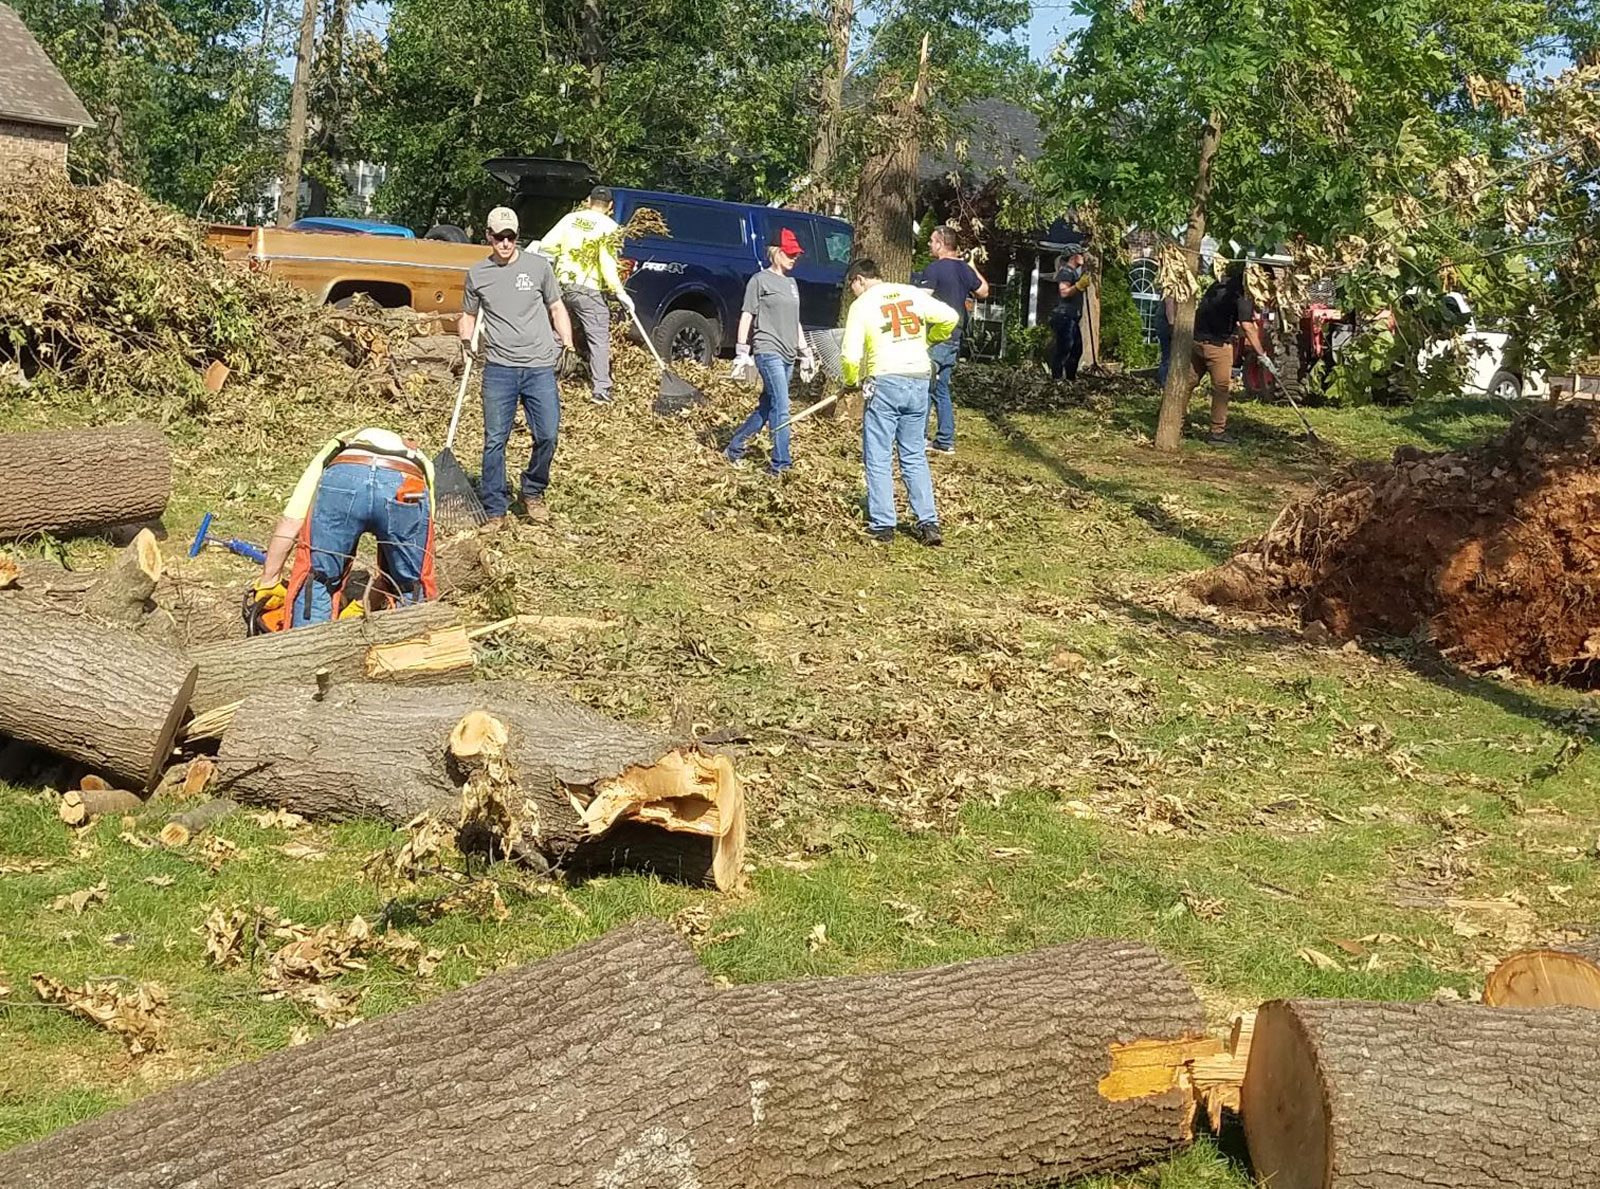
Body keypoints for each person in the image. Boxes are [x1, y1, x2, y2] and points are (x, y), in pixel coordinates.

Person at [459, 206, 576, 530]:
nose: (506, 243)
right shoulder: (478, 274)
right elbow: (468, 316)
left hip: (539, 367)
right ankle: (495, 509)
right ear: (489, 237)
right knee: (495, 439)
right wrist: (467, 342)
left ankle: (532, 491)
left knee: (548, 435)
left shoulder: (538, 267)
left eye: (511, 237)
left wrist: (567, 343)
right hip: (499, 369)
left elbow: (556, 306)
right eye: (499, 237)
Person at [252, 429, 436, 629]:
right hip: (407, 481)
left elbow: (291, 520)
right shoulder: (423, 460)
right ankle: (414, 648)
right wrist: (365, 604)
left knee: (319, 578)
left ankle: (308, 647)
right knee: (411, 584)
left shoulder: (337, 445)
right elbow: (412, 561)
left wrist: (269, 580)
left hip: (345, 472)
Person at [840, 258, 961, 546]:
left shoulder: (863, 305)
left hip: (886, 380)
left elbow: (849, 355)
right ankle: (928, 522)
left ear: (859, 280)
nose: (853, 292)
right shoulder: (911, 293)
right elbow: (950, 318)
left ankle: (883, 524)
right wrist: (930, 339)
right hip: (918, 379)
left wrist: (851, 380)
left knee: (878, 454)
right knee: (914, 453)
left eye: (852, 287)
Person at [725, 228, 816, 474]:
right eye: (789, 253)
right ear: (776, 253)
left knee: (768, 405)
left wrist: (805, 351)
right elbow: (747, 314)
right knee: (782, 405)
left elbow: (795, 319)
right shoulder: (760, 280)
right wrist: (742, 350)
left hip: (788, 354)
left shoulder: (792, 283)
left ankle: (734, 448)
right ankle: (781, 464)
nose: (793, 258)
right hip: (768, 350)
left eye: (796, 254)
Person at [541, 186, 634, 405]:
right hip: (588, 288)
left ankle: (546, 379)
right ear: (610, 207)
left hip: (562, 284)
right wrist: (620, 292)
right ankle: (601, 389)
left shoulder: (570, 220)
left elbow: (547, 245)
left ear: (588, 201)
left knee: (558, 332)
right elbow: (608, 264)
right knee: (598, 338)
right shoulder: (610, 227)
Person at [915, 226, 989, 456]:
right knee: (942, 388)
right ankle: (945, 440)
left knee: (926, 387)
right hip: (956, 337)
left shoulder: (934, 269)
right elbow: (984, 291)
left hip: (936, 337)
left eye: (931, 241)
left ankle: (918, 438)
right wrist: (972, 266)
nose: (928, 245)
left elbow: (921, 301)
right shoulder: (964, 269)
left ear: (940, 244)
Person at [1190, 260, 1265, 445]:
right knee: (1221, 390)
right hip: (1218, 347)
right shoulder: (1241, 294)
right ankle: (1217, 433)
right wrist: (1262, 354)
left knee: (1187, 383)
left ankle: (1177, 422)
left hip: (1196, 342)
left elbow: (1219, 316)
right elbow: (1247, 326)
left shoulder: (1216, 287)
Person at [1050, 248, 1092, 380]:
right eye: (1081, 255)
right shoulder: (1066, 272)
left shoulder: (1074, 273)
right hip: (1064, 317)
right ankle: (1056, 378)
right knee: (1064, 349)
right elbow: (1064, 292)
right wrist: (1078, 286)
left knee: (1077, 349)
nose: (1083, 257)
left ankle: (1070, 379)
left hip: (1072, 317)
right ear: (1073, 257)